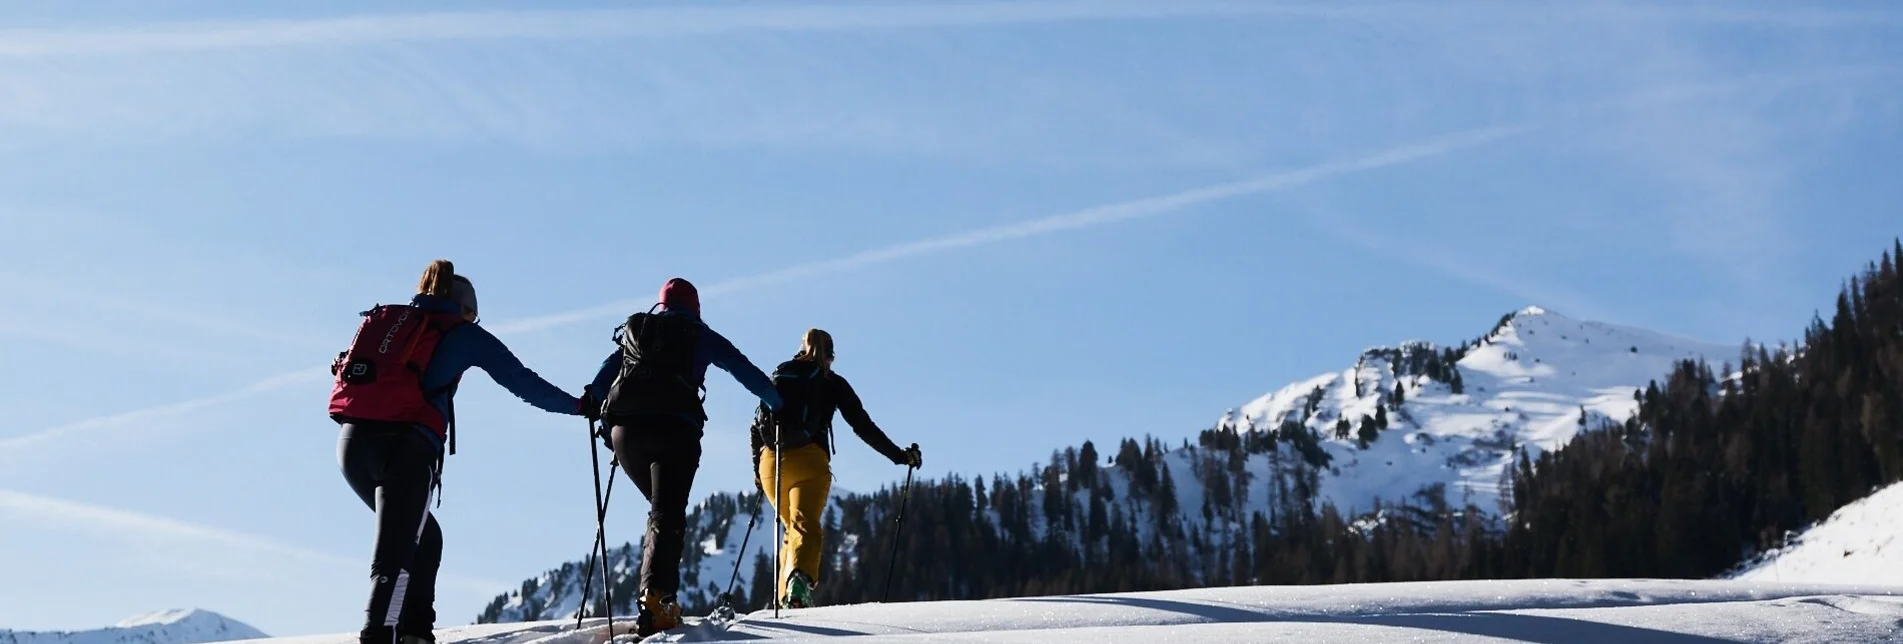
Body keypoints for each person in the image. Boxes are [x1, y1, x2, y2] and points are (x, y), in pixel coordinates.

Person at [327, 259, 587, 644]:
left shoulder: (392, 324)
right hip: (407, 450)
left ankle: (415, 632)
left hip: (351, 446)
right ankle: (379, 637)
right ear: (465, 308)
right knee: (394, 558)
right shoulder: (461, 334)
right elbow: (523, 382)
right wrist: (581, 406)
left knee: (425, 538)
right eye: (474, 315)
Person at [584, 277, 783, 637]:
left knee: (662, 510)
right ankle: (658, 601)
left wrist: (590, 399)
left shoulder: (638, 332)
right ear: (695, 308)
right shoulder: (697, 333)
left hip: (625, 433)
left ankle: (655, 597)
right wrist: (777, 403)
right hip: (675, 428)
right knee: (667, 511)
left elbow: (606, 372)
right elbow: (741, 367)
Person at [751, 328, 922, 609]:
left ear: (801, 349)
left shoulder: (780, 375)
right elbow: (863, 426)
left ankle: (783, 596)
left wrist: (757, 473)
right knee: (804, 524)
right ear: (830, 356)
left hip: (772, 462)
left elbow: (755, 426)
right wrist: (900, 456)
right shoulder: (833, 383)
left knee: (790, 528)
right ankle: (799, 585)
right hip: (810, 460)